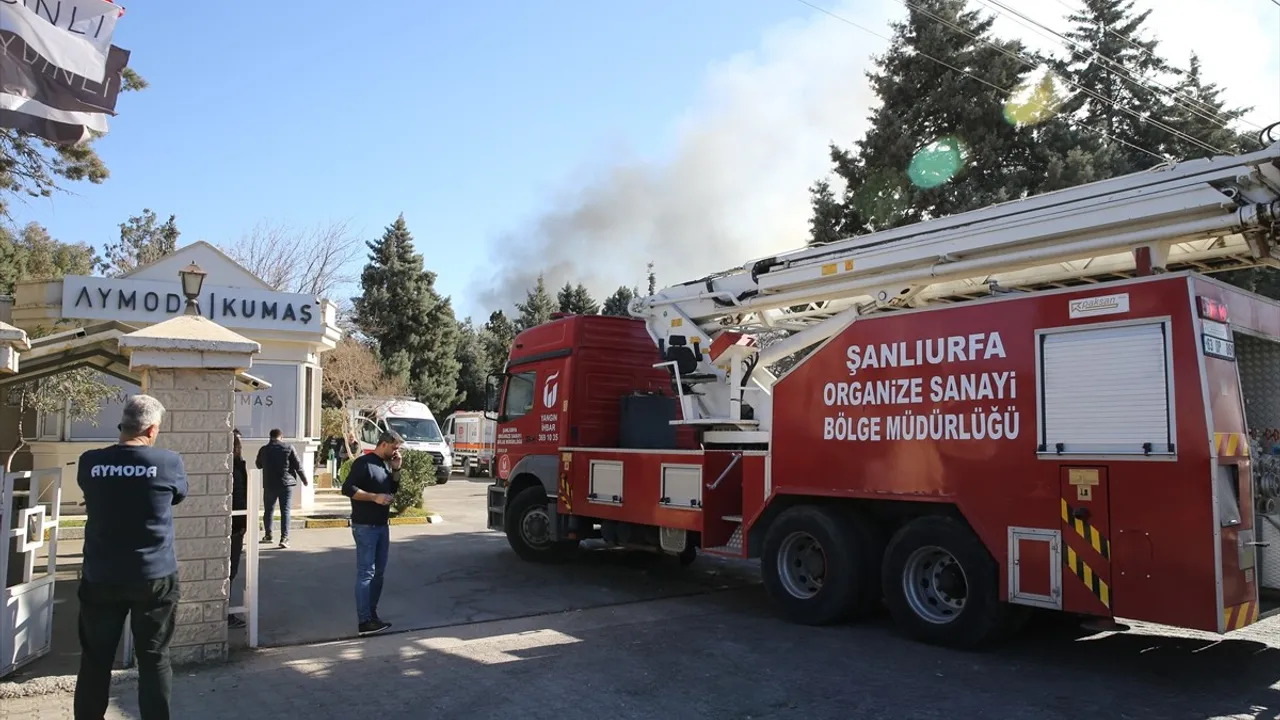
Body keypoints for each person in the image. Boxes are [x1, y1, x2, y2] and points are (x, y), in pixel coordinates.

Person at [74, 395, 187, 720]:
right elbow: (178, 495)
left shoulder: (90, 462)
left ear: (123, 425)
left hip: (101, 577)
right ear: (152, 430)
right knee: (154, 659)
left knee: (95, 659)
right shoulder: (168, 462)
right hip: (154, 577)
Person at [340, 429, 403, 636]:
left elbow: (392, 490)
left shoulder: (385, 465)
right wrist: (374, 497)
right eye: (394, 447)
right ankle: (364, 620)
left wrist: (396, 469)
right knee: (366, 572)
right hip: (365, 526)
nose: (396, 451)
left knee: (379, 573)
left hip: (382, 525)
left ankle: (372, 615)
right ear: (383, 444)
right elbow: (348, 489)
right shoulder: (363, 463)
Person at [256, 428, 308, 548]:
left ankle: (268, 535)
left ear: (270, 437)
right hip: (286, 484)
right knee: (285, 510)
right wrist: (304, 480)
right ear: (281, 436)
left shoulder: (264, 450)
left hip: (269, 484)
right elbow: (298, 466)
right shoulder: (289, 448)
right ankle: (284, 538)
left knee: (269, 510)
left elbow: (258, 465)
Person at [228, 429, 248, 629]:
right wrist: (241, 523)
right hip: (232, 527)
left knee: (231, 571)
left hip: (236, 524)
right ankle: (224, 613)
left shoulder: (237, 465)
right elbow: (239, 496)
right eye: (237, 444)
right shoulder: (232, 467)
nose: (239, 448)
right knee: (229, 570)